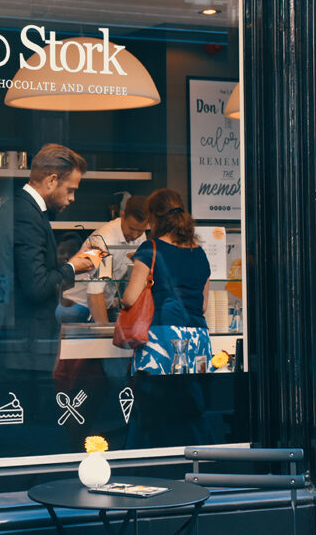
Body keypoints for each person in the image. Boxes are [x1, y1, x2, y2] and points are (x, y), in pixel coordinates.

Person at [0, 144, 96, 374]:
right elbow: (36, 286)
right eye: (70, 189)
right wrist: (73, 267)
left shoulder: (20, 209)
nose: (72, 198)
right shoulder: (27, 216)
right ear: (51, 180)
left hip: (16, 346)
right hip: (23, 349)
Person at [121, 188, 215, 447]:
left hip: (162, 340)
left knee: (153, 411)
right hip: (197, 341)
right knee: (189, 410)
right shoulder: (200, 253)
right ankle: (195, 463)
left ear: (154, 218)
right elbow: (204, 305)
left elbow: (130, 298)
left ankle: (148, 463)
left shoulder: (150, 248)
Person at [58, 196, 149, 324]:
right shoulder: (103, 239)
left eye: (140, 230)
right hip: (76, 306)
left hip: (104, 304)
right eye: (132, 229)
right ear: (122, 216)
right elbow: (94, 292)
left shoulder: (141, 238)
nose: (135, 235)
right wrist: (104, 330)